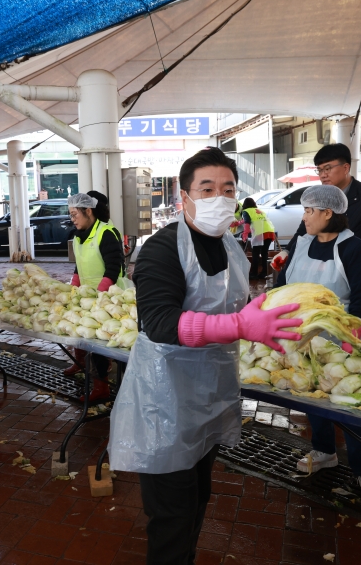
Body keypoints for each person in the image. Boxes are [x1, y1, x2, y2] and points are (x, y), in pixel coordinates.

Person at [108, 147, 303, 564]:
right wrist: (238, 328)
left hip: (210, 395)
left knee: (197, 498)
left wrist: (320, 319)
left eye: (227, 188)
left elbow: (245, 309)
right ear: (184, 197)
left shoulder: (232, 246)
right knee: (172, 516)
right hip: (165, 402)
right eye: (207, 188)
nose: (220, 196)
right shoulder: (162, 248)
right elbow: (160, 323)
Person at [275, 184, 361, 505]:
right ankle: (324, 451)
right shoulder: (301, 242)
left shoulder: (354, 248)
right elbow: (283, 286)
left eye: (309, 211)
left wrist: (353, 336)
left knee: (351, 403)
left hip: (341, 337)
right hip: (304, 337)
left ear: (328, 213)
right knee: (314, 398)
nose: (305, 217)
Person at [277, 143, 361, 275]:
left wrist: (349, 250)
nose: (323, 175)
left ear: (345, 168)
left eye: (327, 169)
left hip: (356, 270)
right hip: (320, 270)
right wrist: (286, 251)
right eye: (320, 170)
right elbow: (304, 230)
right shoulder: (319, 197)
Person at [65, 190, 126, 401]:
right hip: (89, 297)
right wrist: (73, 289)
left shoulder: (106, 232)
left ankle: (118, 387)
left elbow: (113, 267)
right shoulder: (79, 236)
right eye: (70, 215)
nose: (72, 220)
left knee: (114, 343)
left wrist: (100, 295)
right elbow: (79, 265)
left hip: (112, 298)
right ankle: (98, 383)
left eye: (75, 215)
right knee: (91, 340)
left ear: (88, 211)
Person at [240, 197, 276, 279]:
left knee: (255, 253)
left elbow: (247, 223)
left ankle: (254, 274)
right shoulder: (260, 211)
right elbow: (246, 220)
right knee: (264, 253)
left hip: (260, 233)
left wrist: (245, 234)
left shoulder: (246, 211)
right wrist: (237, 223)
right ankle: (264, 273)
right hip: (270, 232)